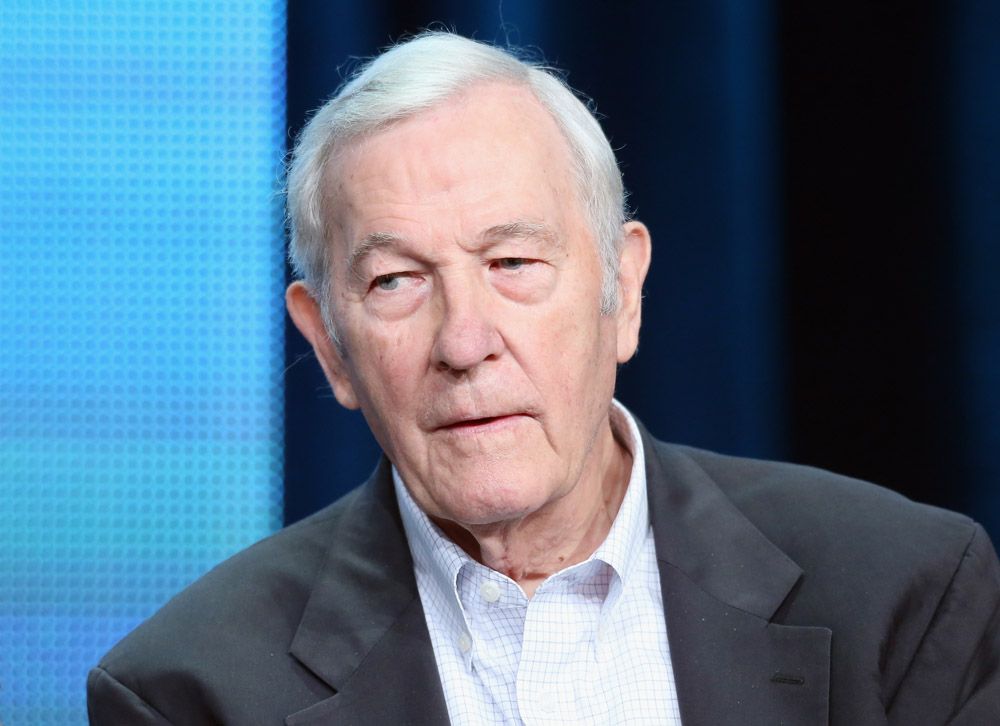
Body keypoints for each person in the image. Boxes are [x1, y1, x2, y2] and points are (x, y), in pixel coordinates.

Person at [87, 32, 1000, 725]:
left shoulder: (904, 596)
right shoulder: (188, 693)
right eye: (396, 280)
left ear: (624, 291)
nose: (466, 340)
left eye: (514, 261)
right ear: (329, 344)